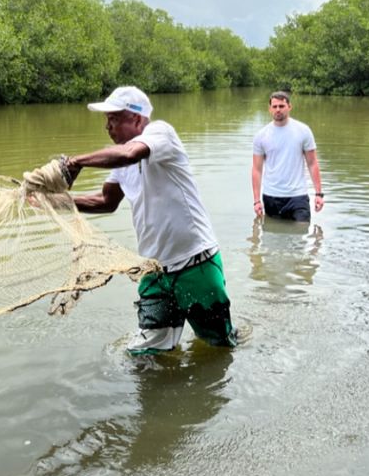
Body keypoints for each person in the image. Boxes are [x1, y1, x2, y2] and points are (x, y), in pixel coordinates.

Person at [45, 85, 237, 355]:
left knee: (220, 347)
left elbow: (129, 154)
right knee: (145, 355)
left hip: (195, 265)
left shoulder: (160, 133)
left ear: (136, 119)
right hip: (155, 272)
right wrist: (53, 202)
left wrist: (74, 162)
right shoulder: (121, 162)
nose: (107, 127)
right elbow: (106, 202)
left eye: (113, 119)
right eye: (106, 121)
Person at [252, 91, 324, 223]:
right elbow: (257, 169)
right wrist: (256, 201)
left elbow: (312, 163)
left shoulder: (303, 131)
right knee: (273, 239)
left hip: (298, 196)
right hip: (271, 196)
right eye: (274, 107)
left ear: (289, 107)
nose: (278, 110)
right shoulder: (261, 136)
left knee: (301, 233)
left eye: (281, 106)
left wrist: (319, 194)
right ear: (269, 109)